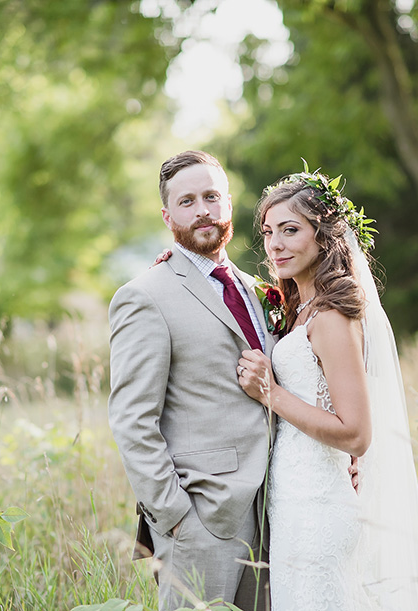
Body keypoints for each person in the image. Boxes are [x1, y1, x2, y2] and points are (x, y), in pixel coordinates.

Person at [236, 168, 418, 610]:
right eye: (269, 232)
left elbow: (356, 432)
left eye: (291, 230)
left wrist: (270, 393)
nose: (275, 244)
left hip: (319, 509)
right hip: (292, 501)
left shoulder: (330, 317)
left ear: (323, 235)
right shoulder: (301, 308)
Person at [108, 151, 276, 611]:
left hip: (273, 513)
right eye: (187, 201)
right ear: (168, 216)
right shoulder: (144, 297)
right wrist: (174, 514)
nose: (202, 209)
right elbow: (132, 419)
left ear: (228, 205)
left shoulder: (258, 290)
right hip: (200, 518)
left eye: (211, 197)